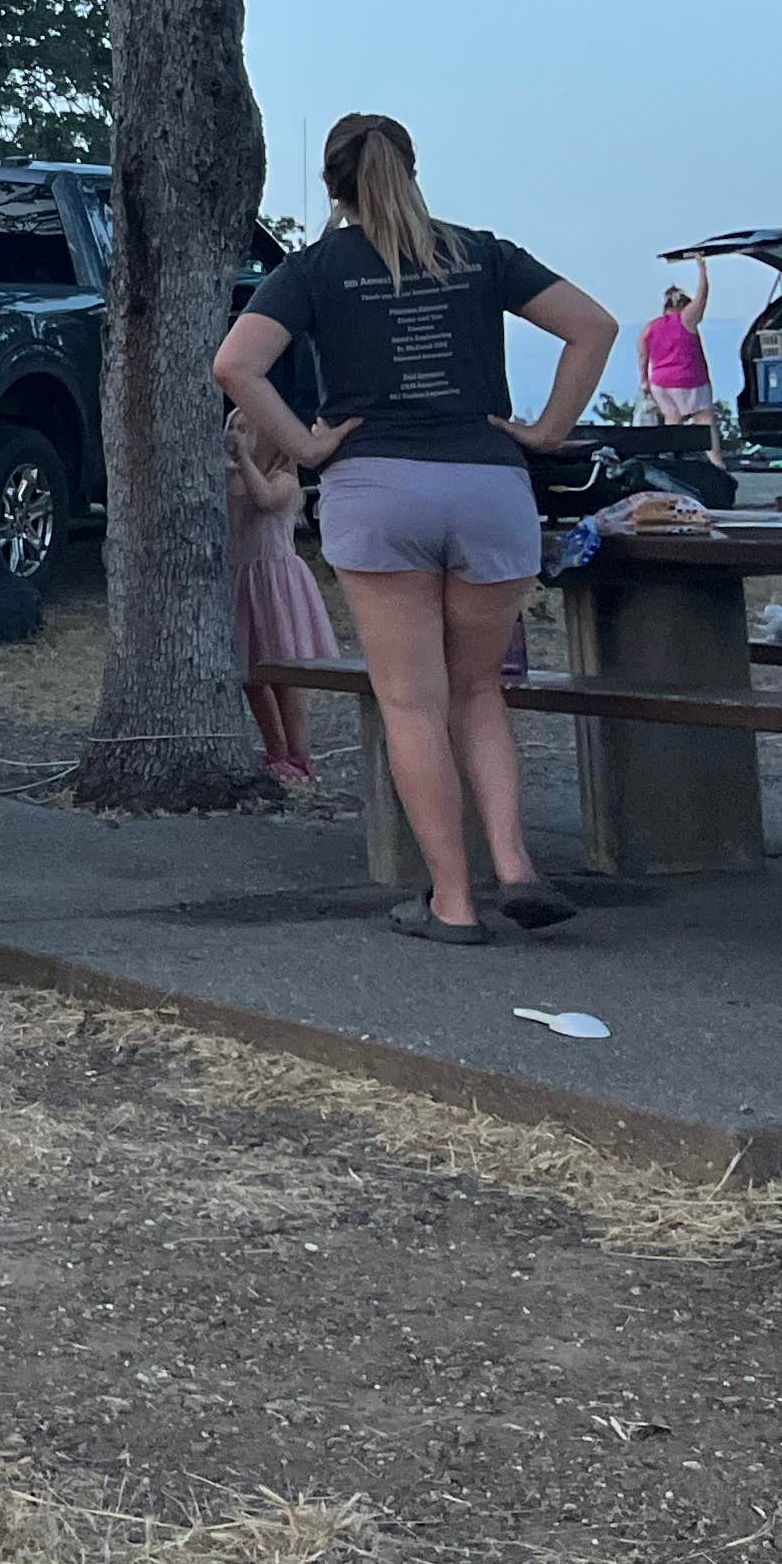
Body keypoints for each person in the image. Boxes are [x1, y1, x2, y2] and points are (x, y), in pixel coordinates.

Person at [214, 113, 618, 944]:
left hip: (378, 487)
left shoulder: (316, 268)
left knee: (411, 702)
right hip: (490, 485)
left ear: (334, 186)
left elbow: (234, 364)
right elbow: (595, 326)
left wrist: (307, 446)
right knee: (479, 693)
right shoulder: (481, 252)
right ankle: (515, 866)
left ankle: (452, 902)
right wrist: (545, 431)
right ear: (413, 168)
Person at [227, 401, 331, 781]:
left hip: (274, 584)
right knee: (250, 674)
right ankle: (276, 750)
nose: (236, 435)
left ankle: (300, 754)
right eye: (233, 426)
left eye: (245, 428)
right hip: (241, 581)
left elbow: (265, 500)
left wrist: (244, 461)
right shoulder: (232, 477)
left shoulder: (284, 483)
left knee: (283, 674)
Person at [638, 260, 725, 456]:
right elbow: (703, 295)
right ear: (684, 304)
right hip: (690, 379)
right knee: (704, 418)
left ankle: (673, 459)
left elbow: (643, 356)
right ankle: (716, 461)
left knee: (672, 419)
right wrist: (702, 270)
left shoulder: (649, 327)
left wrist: (644, 381)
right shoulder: (687, 318)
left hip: (660, 383)